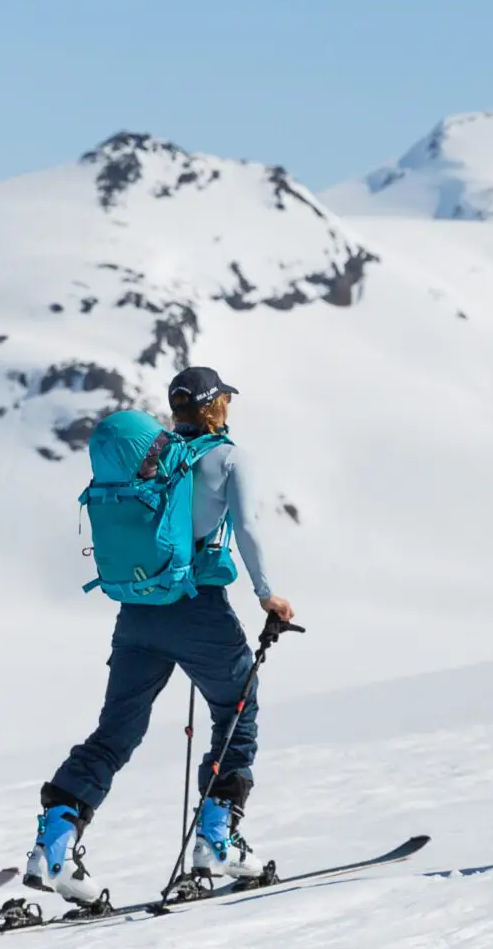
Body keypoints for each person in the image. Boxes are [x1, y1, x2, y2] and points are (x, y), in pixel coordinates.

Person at [26, 365, 297, 909]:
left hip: (137, 611)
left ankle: (53, 845)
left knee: (115, 734)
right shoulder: (227, 457)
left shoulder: (152, 460)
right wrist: (268, 595)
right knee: (237, 711)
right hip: (197, 610)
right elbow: (246, 528)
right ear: (215, 405)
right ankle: (216, 841)